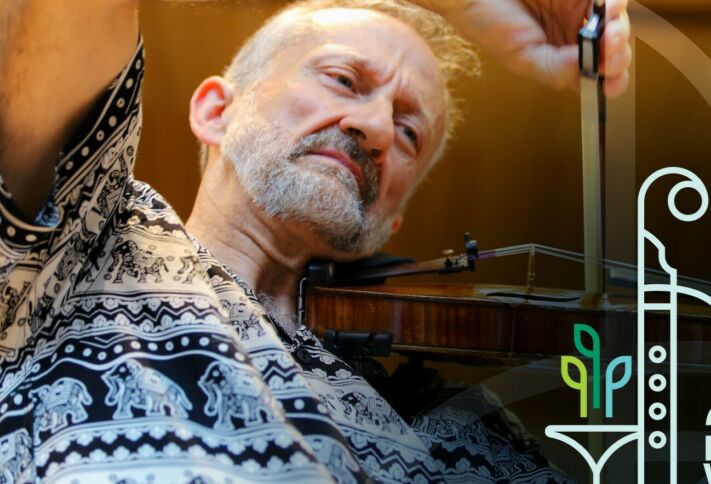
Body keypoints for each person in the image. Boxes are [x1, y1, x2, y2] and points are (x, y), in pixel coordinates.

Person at [0, 0, 631, 481]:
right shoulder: (83, 244)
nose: (378, 127)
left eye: (410, 133)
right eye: (344, 80)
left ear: (393, 221)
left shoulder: (458, 419)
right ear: (217, 110)